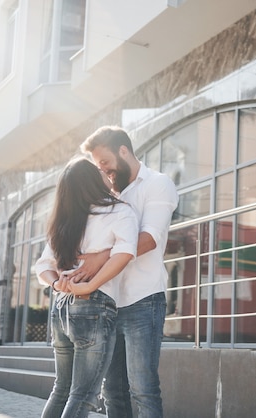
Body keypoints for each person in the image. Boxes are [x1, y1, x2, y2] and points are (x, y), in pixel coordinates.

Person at [74, 126, 178, 418]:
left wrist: (100, 259)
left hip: (144, 300)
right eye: (97, 165)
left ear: (123, 151)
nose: (102, 169)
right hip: (106, 303)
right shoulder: (107, 194)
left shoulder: (157, 183)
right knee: (112, 391)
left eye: (104, 161)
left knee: (143, 388)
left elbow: (150, 238)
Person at [35, 157, 138, 418]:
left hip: (60, 307)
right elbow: (125, 253)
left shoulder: (64, 220)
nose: (104, 172)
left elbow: (42, 267)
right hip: (93, 303)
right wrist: (91, 284)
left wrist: (57, 283)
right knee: (82, 395)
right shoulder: (118, 210)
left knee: (61, 389)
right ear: (91, 181)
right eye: (98, 171)